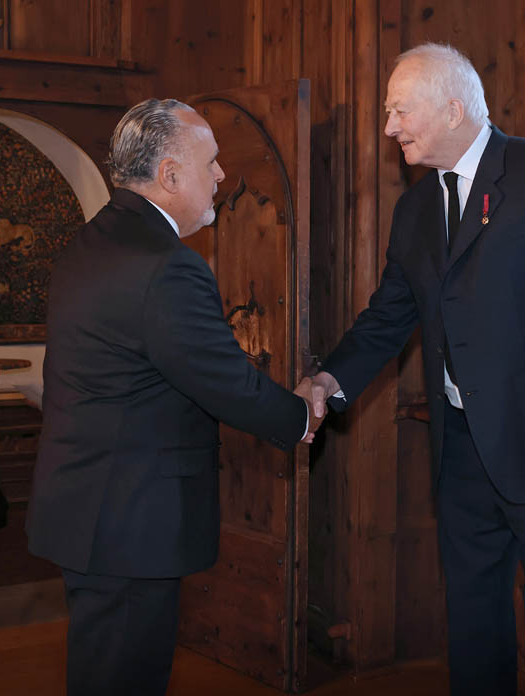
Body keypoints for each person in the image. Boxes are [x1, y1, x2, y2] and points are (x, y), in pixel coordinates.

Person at [300, 43, 525, 696]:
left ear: (453, 110)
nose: (390, 127)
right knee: (473, 620)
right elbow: (388, 318)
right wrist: (328, 381)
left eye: (400, 111)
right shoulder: (415, 210)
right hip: (460, 449)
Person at [26, 98, 323, 696]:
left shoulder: (91, 242)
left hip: (88, 507)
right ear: (169, 174)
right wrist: (301, 414)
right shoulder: (166, 266)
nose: (221, 175)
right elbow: (224, 382)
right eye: (210, 162)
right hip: (129, 522)